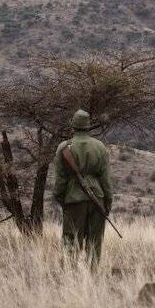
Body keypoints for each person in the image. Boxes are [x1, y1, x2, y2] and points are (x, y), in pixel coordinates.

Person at [54, 109, 113, 266]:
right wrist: (107, 203)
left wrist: (62, 200)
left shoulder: (64, 147)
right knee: (95, 241)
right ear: (88, 127)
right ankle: (92, 277)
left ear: (73, 126)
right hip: (97, 200)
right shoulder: (100, 147)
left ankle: (70, 277)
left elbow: (59, 181)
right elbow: (106, 180)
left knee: (70, 239)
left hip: (73, 199)